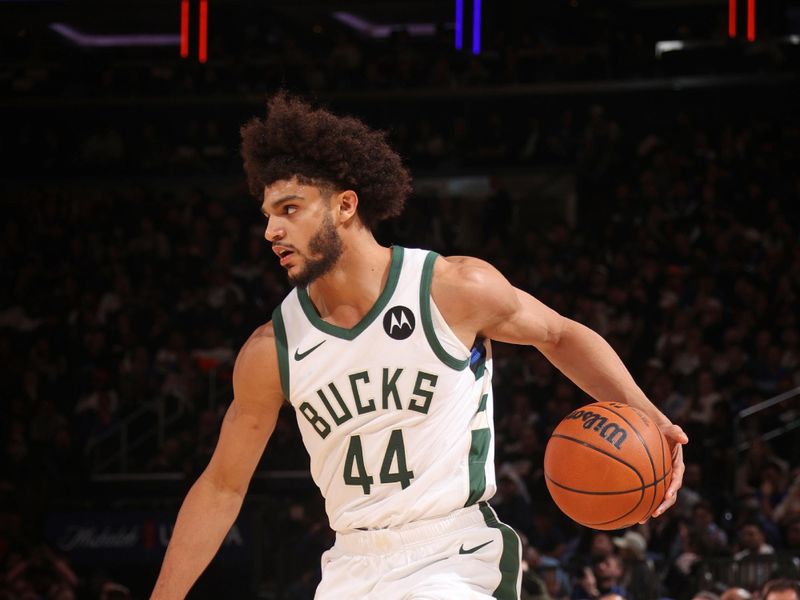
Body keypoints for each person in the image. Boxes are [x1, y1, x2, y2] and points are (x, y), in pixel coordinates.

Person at [150, 93, 688, 599]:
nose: (271, 230)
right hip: (349, 566)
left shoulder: (452, 288)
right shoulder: (272, 349)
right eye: (267, 214)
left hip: (453, 555)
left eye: (289, 208)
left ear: (344, 205)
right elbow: (222, 487)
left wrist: (651, 417)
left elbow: (560, 334)